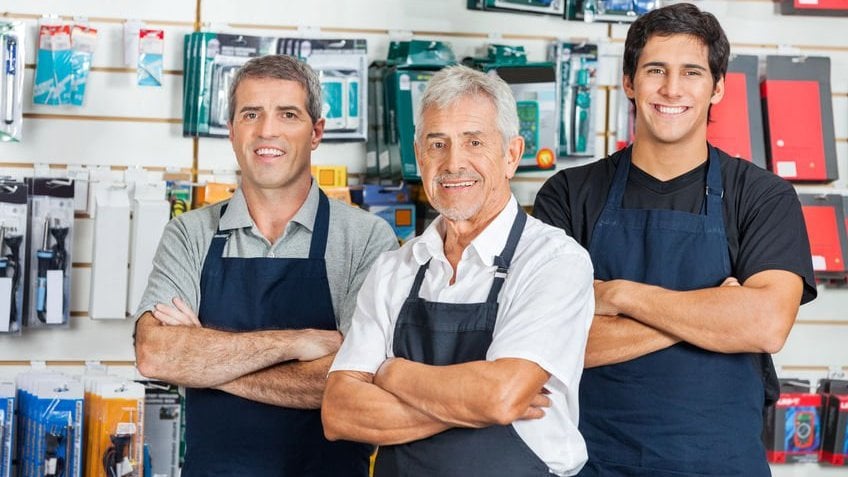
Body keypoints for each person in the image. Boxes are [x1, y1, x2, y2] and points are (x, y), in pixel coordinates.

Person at [533, 3, 817, 476]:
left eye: (692, 72)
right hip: (592, 463)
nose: (671, 89)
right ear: (628, 81)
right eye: (655, 70)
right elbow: (553, 344)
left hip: (721, 465)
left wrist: (619, 295)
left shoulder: (764, 197)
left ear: (718, 86)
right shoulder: (569, 194)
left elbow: (765, 325)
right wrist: (715, 315)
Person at [322, 64, 594, 477]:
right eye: (437, 144)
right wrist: (476, 403)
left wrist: (392, 373)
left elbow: (501, 395)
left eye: (474, 142)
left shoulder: (552, 261)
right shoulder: (394, 268)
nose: (453, 163)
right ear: (419, 157)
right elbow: (341, 412)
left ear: (511, 155)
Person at [133, 54, 397, 476]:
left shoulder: (366, 238)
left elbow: (350, 379)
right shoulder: (189, 234)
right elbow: (155, 354)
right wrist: (297, 342)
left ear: (316, 133)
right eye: (250, 113)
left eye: (287, 114)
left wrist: (206, 366)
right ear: (232, 130)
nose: (266, 131)